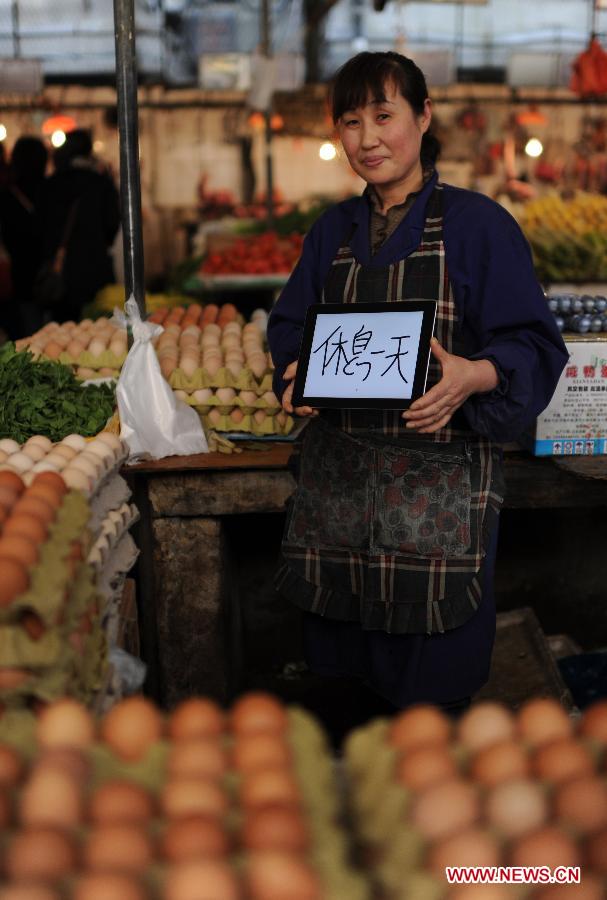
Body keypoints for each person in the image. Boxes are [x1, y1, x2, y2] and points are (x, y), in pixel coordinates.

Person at [267, 52, 568, 721]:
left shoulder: (478, 225)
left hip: (439, 509)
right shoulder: (330, 232)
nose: (367, 138)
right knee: (346, 697)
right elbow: (289, 328)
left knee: (432, 708)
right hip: (339, 506)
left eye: (383, 115)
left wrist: (474, 374)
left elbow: (534, 344)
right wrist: (293, 372)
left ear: (422, 116)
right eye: (350, 122)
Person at [38, 128, 120, 322]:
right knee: (99, 327)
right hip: (96, 268)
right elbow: (113, 223)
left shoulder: (51, 184)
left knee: (63, 332)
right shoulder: (101, 183)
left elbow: (40, 227)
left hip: (63, 270)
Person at [0, 136, 48, 337]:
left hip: (19, 277)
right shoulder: (49, 190)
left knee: (24, 336)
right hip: (41, 274)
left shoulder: (7, 195)